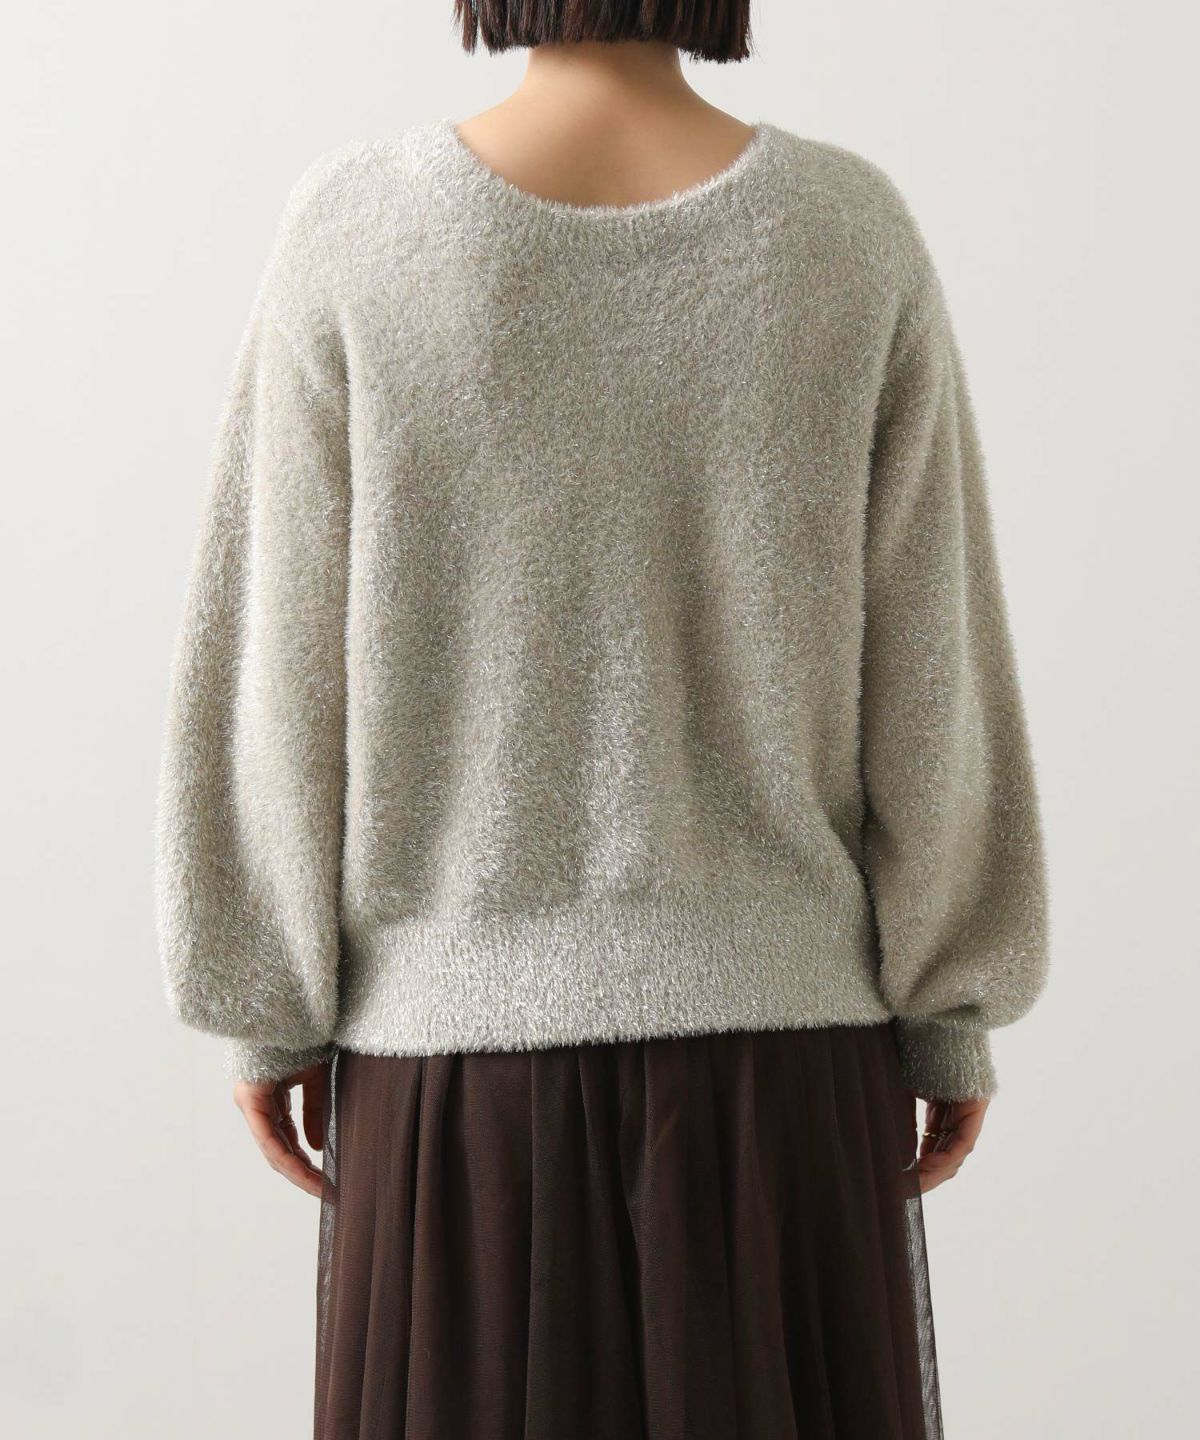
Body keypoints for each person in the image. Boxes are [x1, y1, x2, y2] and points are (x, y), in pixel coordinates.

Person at [154, 3, 1050, 1435]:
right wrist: (950, 1011)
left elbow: (278, 657)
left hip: (452, 1104)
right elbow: (930, 677)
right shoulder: (846, 235)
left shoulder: (357, 231)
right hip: (783, 1094)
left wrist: (266, 1008)